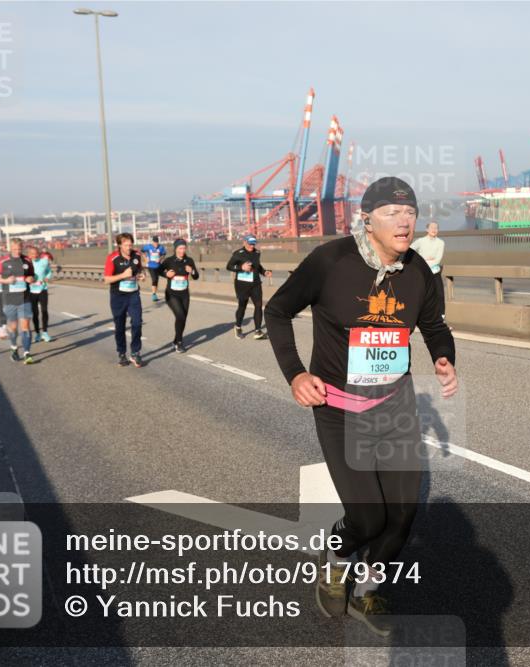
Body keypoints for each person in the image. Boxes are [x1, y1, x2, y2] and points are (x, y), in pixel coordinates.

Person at [265, 177, 458, 635]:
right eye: (393, 212)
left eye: (410, 211)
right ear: (367, 219)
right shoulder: (330, 261)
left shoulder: (420, 274)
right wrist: (296, 373)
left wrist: (445, 358)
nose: (405, 221)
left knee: (403, 515)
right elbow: (277, 311)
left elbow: (434, 326)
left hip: (395, 405)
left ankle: (370, 589)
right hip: (339, 409)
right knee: (368, 516)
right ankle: (335, 555)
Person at [104, 232, 146, 367]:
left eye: (130, 244)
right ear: (120, 245)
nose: (129, 248)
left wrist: (142, 275)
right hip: (118, 296)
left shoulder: (137, 255)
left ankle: (135, 352)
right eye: (126, 245)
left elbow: (140, 270)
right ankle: (122, 353)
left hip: (133, 294)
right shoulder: (112, 258)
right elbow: (106, 280)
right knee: (120, 326)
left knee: (137, 322)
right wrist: (122, 275)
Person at [0, 238, 37, 364]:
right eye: (14, 249)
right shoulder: (3, 261)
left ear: (22, 247)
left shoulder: (27, 260)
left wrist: (31, 279)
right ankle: (13, 348)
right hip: (9, 300)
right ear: (10, 248)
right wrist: (6, 281)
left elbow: (32, 275)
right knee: (13, 328)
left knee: (25, 327)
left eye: (19, 249)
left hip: (25, 298)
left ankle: (27, 353)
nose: (17, 251)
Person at [227, 235, 272, 339]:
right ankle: (238, 327)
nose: (252, 245)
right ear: (244, 242)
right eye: (250, 243)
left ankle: (258, 331)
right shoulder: (238, 254)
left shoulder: (257, 253)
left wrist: (264, 272)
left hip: (255, 283)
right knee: (242, 306)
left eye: (253, 243)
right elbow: (229, 266)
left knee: (259, 305)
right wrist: (241, 267)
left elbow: (258, 266)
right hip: (242, 284)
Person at [158, 238, 200, 353]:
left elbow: (196, 276)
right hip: (171, 294)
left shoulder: (189, 260)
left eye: (184, 248)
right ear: (175, 249)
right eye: (180, 248)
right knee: (180, 315)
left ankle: (176, 340)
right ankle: (180, 343)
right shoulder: (169, 261)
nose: (182, 250)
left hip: (184, 294)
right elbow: (159, 270)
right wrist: (166, 273)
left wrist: (192, 271)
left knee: (183, 318)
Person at [410, 221, 447, 320]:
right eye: (431, 228)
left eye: (436, 228)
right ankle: (417, 316)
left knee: (439, 294)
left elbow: (437, 259)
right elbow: (409, 250)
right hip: (422, 273)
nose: (434, 230)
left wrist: (424, 261)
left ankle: (441, 317)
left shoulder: (441, 242)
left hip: (435, 272)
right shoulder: (420, 241)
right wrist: (422, 260)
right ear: (427, 229)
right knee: (420, 294)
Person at [27, 246, 54, 342]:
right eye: (32, 254)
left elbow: (49, 271)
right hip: (31, 291)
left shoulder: (44, 261)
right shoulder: (26, 264)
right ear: (29, 254)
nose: (35, 255)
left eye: (36, 253)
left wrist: (48, 277)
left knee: (44, 310)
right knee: (35, 313)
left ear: (39, 253)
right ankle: (38, 333)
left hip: (43, 289)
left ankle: (45, 333)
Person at [142, 235, 167, 303]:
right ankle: (154, 294)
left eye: (157, 243)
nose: (156, 244)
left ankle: (170, 292)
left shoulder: (161, 247)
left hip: (159, 266)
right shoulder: (148, 246)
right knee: (154, 279)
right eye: (155, 243)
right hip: (151, 266)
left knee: (168, 276)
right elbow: (142, 251)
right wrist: (145, 258)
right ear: (152, 242)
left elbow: (164, 254)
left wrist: (160, 258)